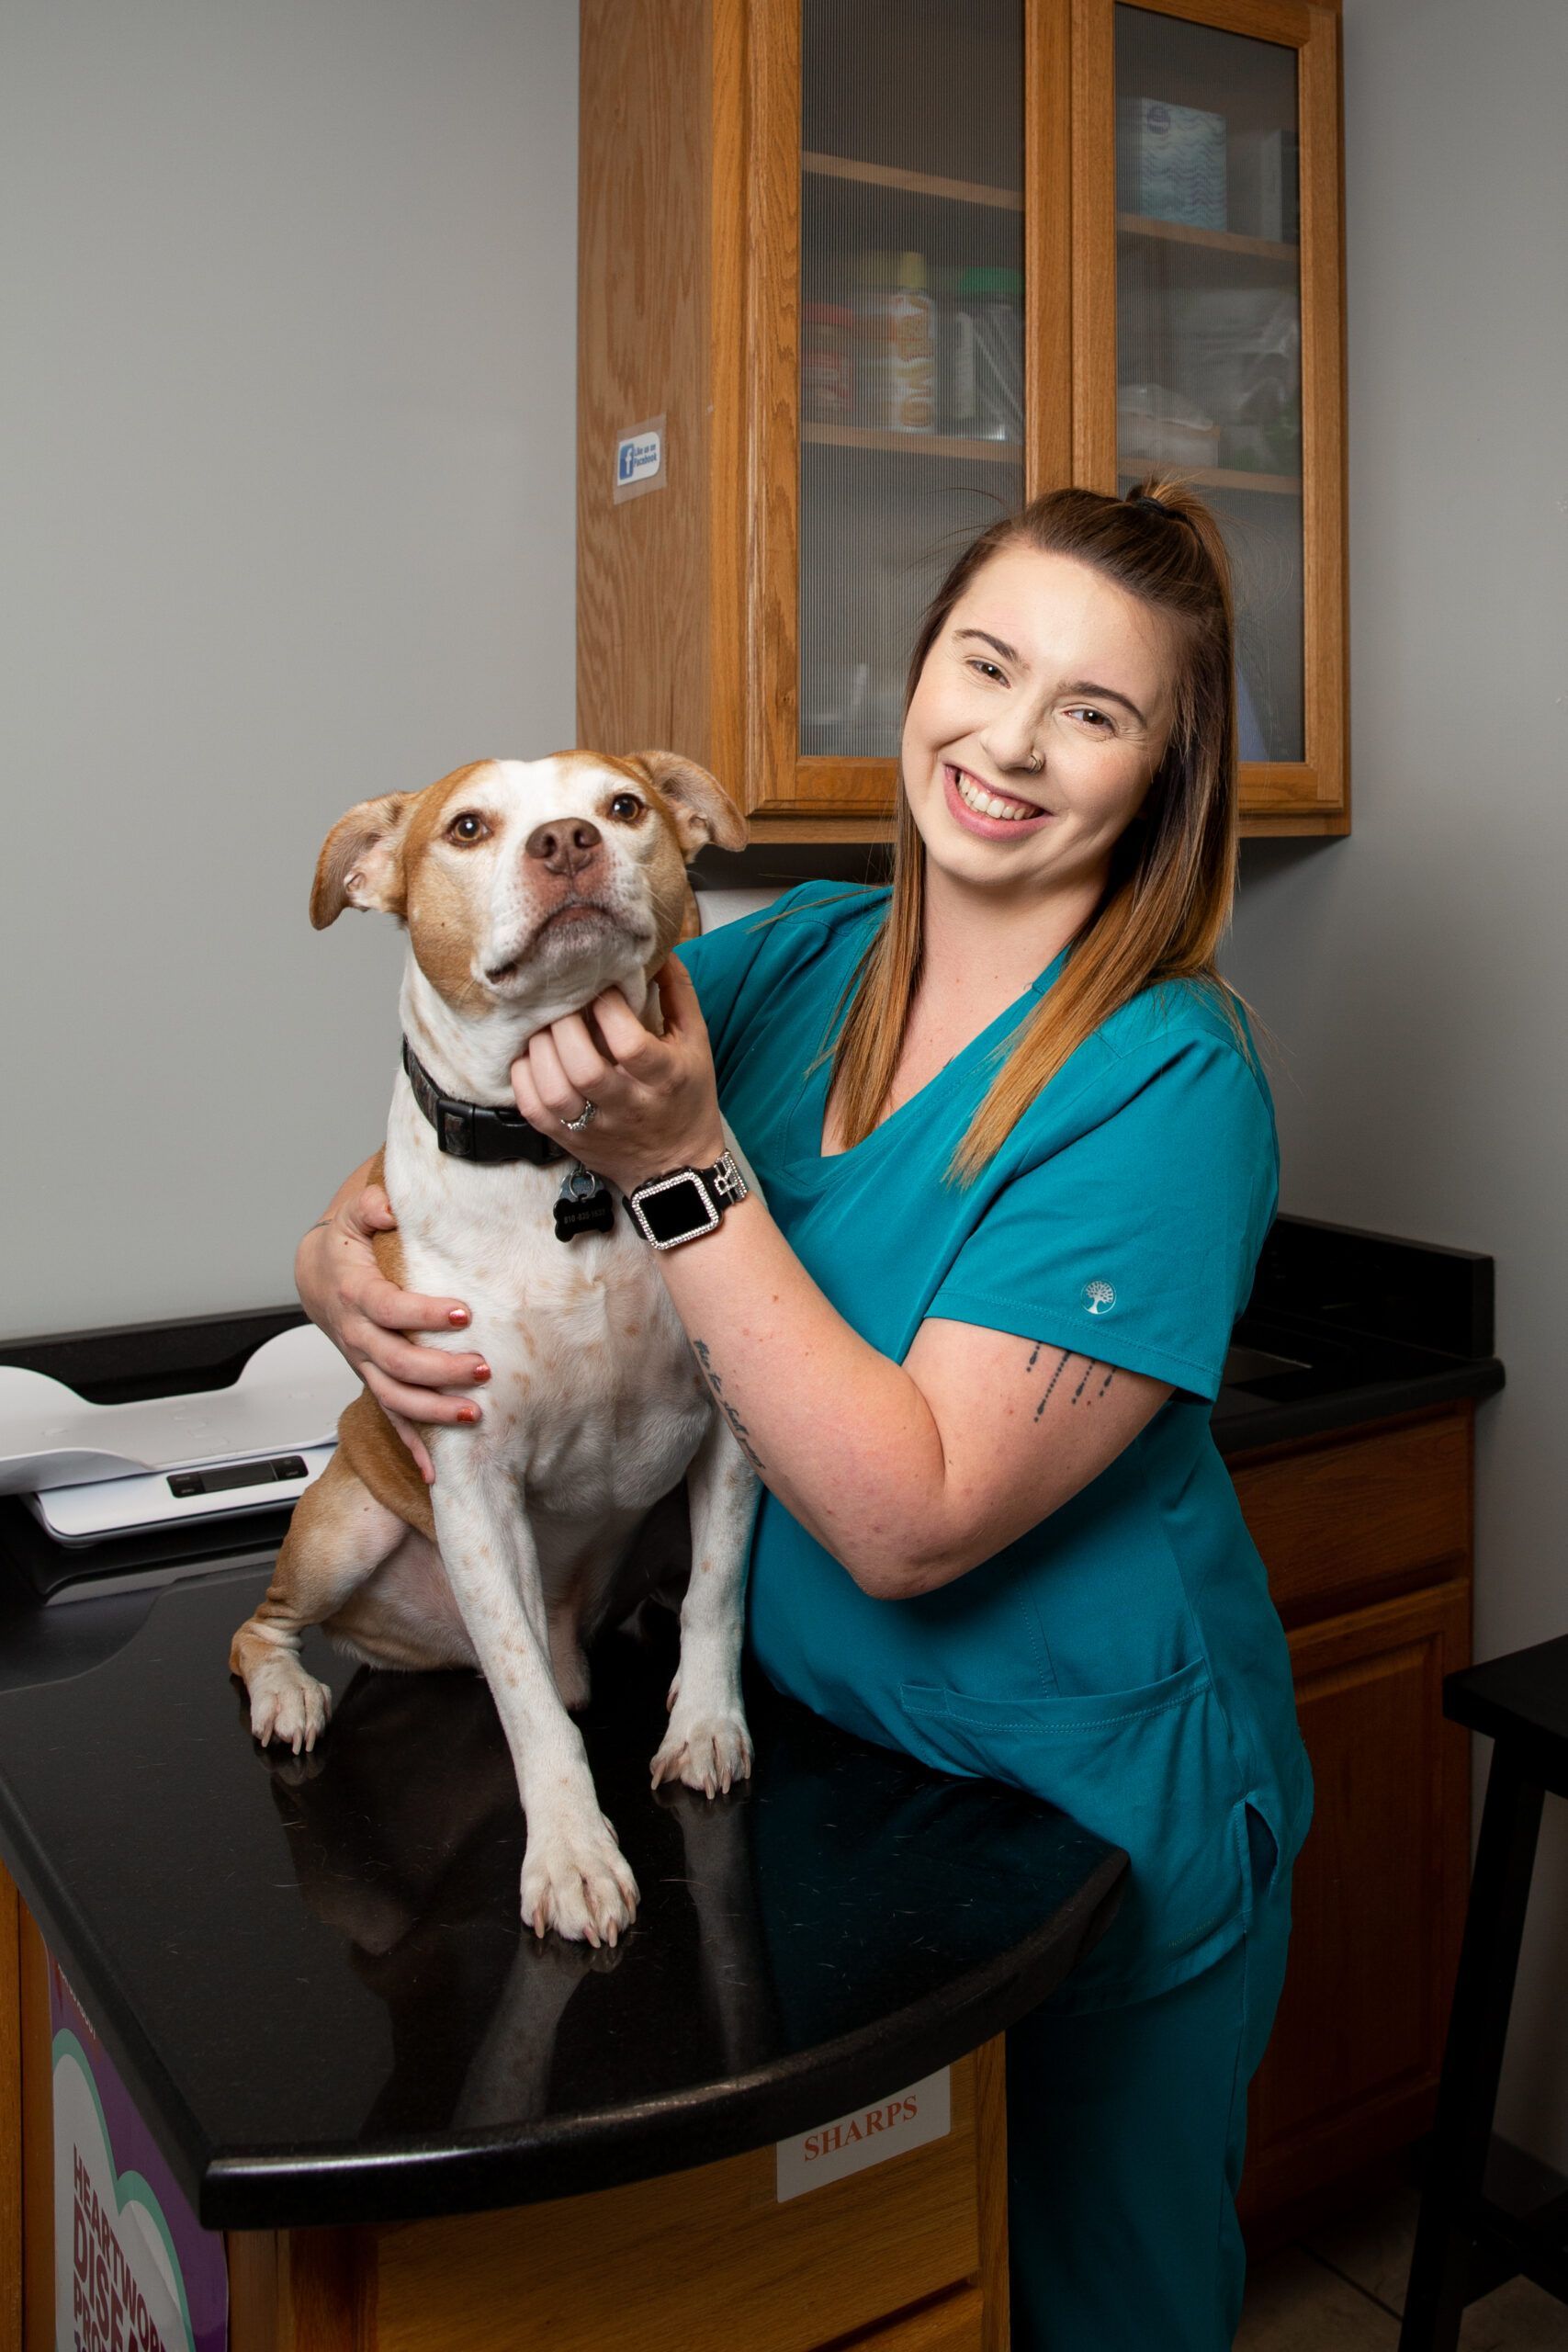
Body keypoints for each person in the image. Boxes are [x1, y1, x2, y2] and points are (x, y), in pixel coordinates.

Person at [297, 477, 1314, 2350]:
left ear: (1162, 775)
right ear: (914, 674)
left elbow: (907, 1514)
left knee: (1098, 2301)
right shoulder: (798, 959)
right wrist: (333, 1254)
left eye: (1090, 712)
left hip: (1074, 1812)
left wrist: (687, 1167)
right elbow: (487, 1110)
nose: (1006, 741)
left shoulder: (1171, 1085)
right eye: (980, 664)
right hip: (823, 1778)